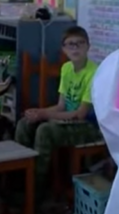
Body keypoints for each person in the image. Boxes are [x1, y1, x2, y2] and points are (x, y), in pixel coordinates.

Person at [15, 26, 102, 197]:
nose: (75, 48)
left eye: (80, 44)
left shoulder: (94, 73)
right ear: (63, 49)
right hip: (67, 119)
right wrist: (38, 112)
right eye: (70, 44)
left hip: (88, 125)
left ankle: (36, 192)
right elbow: (61, 106)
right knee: (25, 123)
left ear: (88, 46)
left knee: (45, 131)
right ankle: (21, 182)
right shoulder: (66, 68)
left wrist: (45, 115)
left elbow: (80, 113)